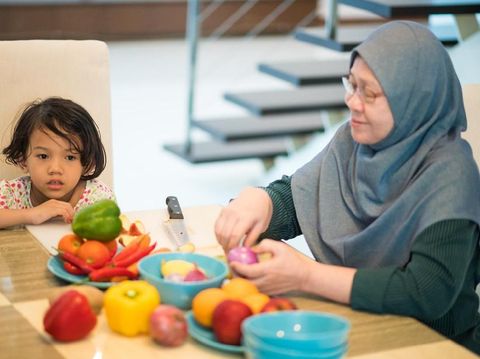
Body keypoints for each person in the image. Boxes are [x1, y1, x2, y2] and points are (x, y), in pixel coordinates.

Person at [214, 21, 480, 354]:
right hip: (353, 322)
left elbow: (426, 291)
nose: (352, 102)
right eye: (351, 84)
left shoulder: (452, 175)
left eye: (369, 93)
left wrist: (307, 276)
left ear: (413, 100)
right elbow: (301, 200)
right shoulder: (356, 141)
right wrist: (262, 201)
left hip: (433, 343)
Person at [0, 97, 115, 228]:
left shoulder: (97, 198)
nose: (55, 169)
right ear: (23, 159)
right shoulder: (11, 194)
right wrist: (30, 215)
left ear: (86, 163)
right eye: (43, 156)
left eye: (70, 157)